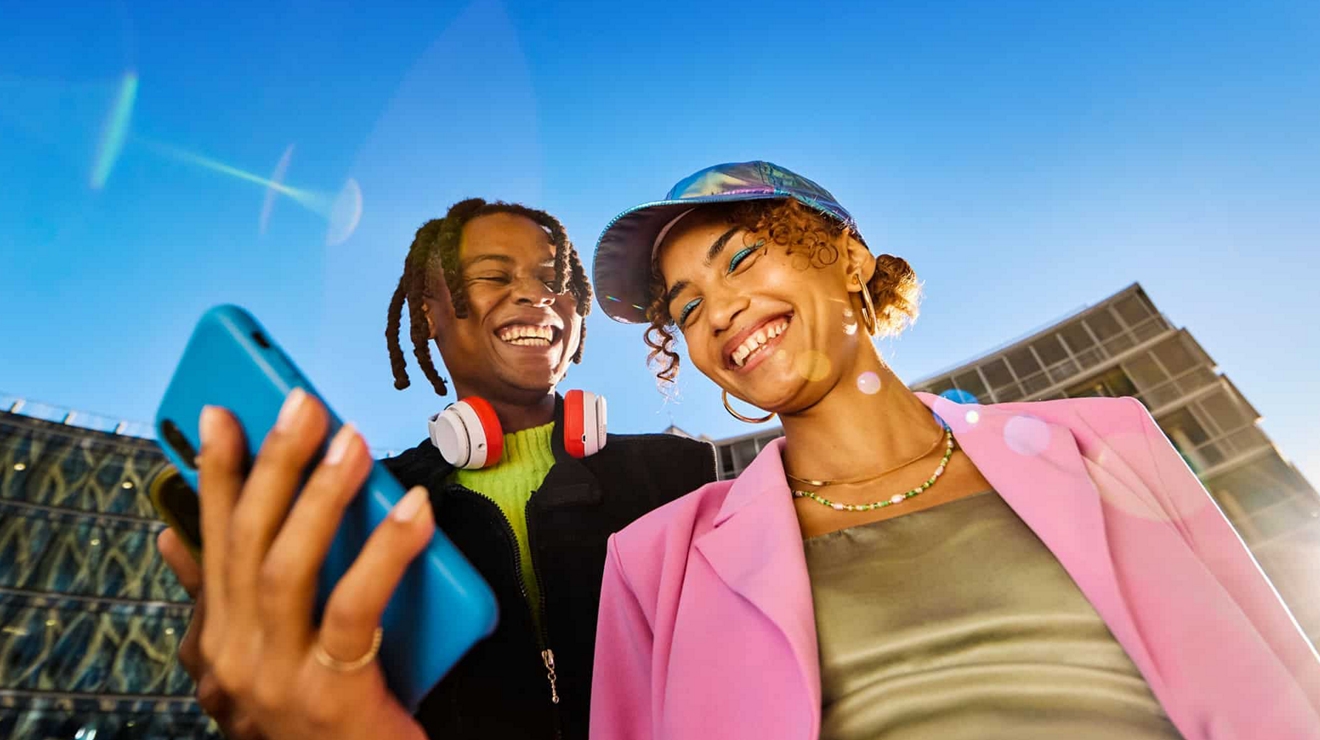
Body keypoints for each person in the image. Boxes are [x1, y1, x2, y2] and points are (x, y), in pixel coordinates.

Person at [587, 162, 1320, 739]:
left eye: (743, 258)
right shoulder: (653, 565)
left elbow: (1281, 693)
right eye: (687, 307)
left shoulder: (1108, 442)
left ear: (849, 258)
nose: (718, 312)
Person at [154, 198, 717, 740]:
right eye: (493, 275)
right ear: (430, 314)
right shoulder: (369, 503)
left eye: (554, 279)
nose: (535, 293)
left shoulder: (680, 474)